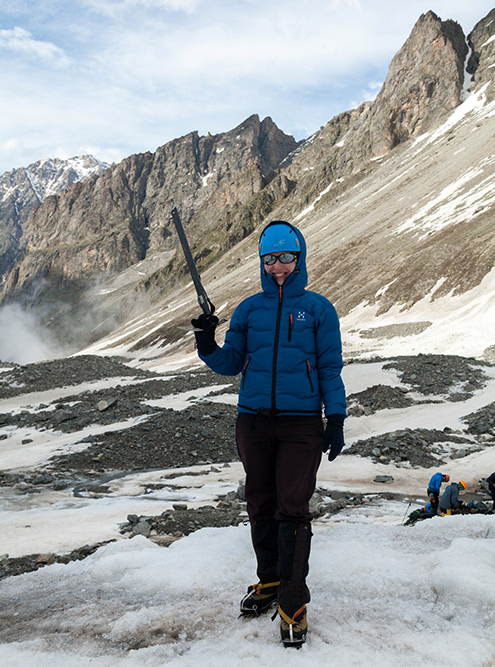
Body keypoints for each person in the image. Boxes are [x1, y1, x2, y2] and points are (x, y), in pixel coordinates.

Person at [192, 220, 346, 647]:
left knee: (292, 507)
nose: (278, 266)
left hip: (301, 425)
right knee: (260, 502)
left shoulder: (318, 309)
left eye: (286, 257)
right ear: (261, 262)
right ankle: (270, 583)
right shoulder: (248, 310)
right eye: (270, 259)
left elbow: (330, 369)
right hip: (253, 421)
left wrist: (335, 418)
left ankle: (293, 603)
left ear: (300, 259)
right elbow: (229, 363)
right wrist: (207, 342)